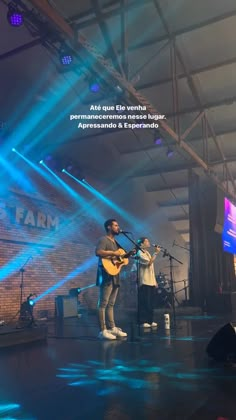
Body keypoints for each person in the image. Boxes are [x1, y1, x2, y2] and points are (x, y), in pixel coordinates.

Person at [95, 219, 127, 340]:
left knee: (111, 304)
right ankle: (103, 330)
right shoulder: (104, 239)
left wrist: (127, 256)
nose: (118, 227)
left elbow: (119, 257)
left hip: (115, 274)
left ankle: (112, 327)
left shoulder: (117, 242)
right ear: (109, 227)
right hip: (106, 273)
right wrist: (114, 253)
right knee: (103, 303)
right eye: (116, 225)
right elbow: (98, 252)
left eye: (118, 225)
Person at [136, 237, 161, 328]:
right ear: (141, 244)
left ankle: (150, 320)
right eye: (146, 241)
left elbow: (151, 269)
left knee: (150, 302)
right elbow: (149, 263)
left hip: (150, 281)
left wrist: (155, 281)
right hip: (144, 281)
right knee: (144, 302)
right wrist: (156, 253)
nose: (148, 242)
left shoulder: (147, 253)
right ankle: (143, 321)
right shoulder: (140, 253)